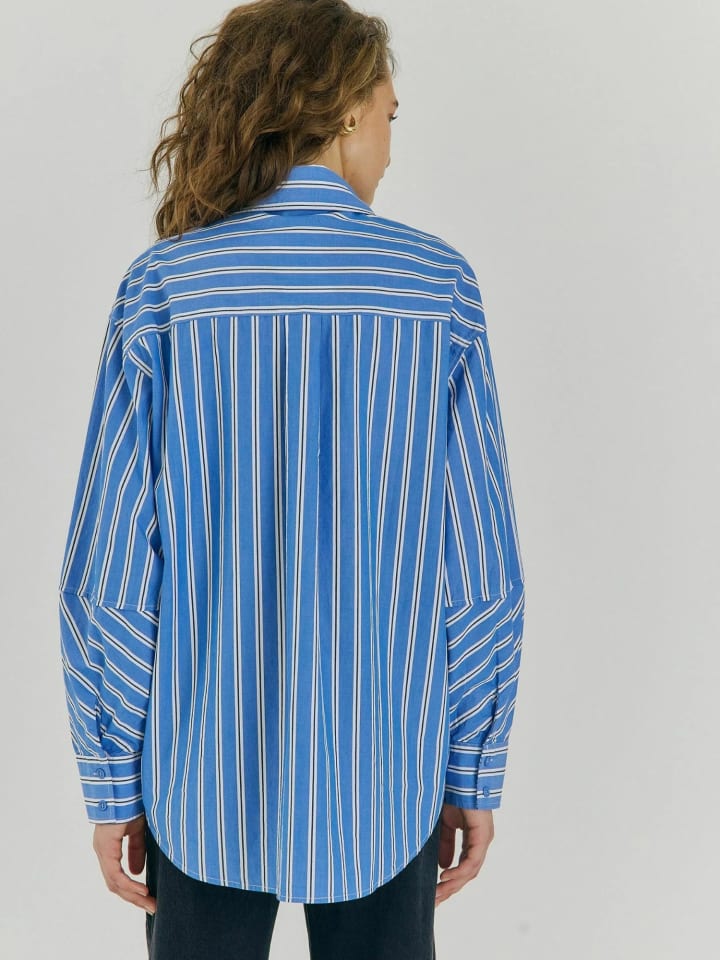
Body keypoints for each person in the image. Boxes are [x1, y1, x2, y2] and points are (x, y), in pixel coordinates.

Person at [56, 1, 526, 958]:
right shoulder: (436, 289)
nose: (389, 146)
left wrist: (114, 780)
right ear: (346, 109)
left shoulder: (167, 288)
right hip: (388, 781)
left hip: (200, 779)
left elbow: (109, 576)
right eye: (389, 115)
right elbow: (481, 572)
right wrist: (471, 768)